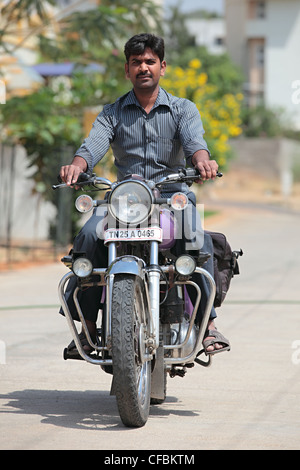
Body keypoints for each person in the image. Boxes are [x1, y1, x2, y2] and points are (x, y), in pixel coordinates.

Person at [59, 33, 230, 356]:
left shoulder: (182, 109)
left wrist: (203, 162)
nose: (143, 67)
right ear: (127, 70)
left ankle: (208, 324)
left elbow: (195, 144)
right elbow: (93, 145)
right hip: (126, 200)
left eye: (150, 61)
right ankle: (87, 329)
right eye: (136, 62)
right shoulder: (112, 112)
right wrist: (77, 165)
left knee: (197, 236)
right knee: (87, 238)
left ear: (162, 67)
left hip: (173, 196)